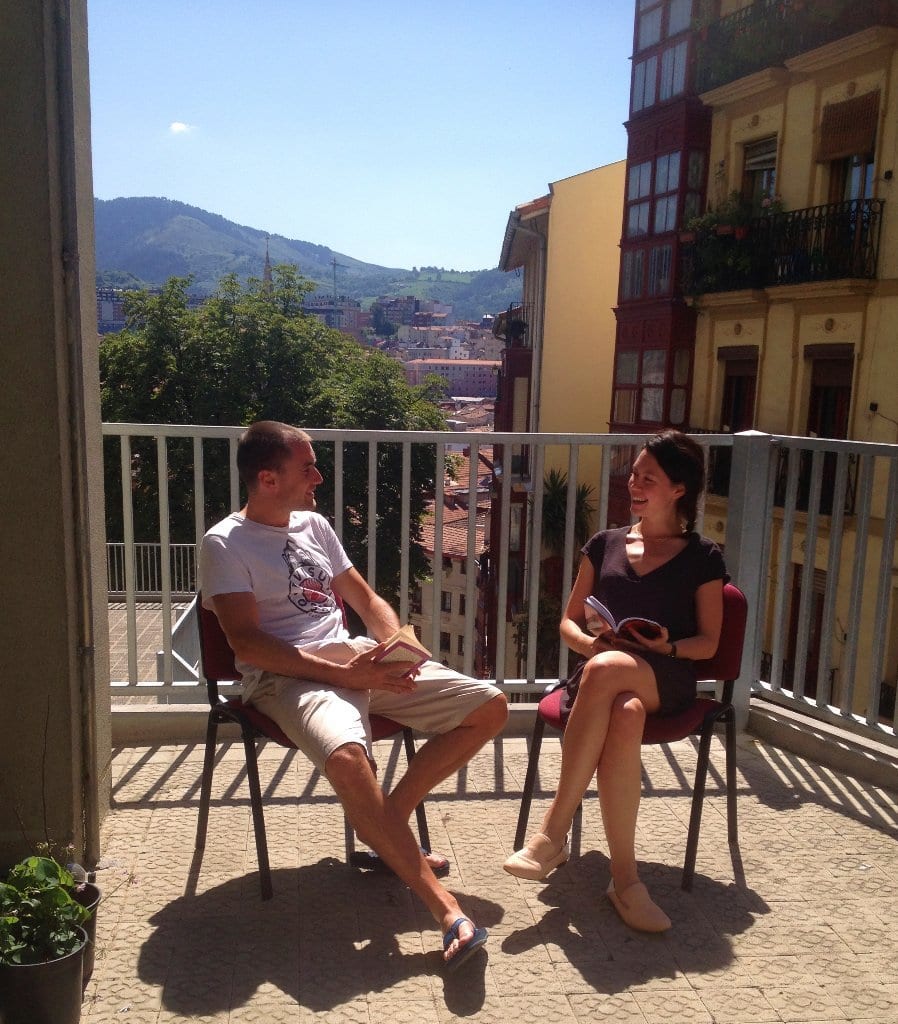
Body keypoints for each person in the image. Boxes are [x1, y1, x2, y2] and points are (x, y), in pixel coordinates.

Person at [199, 421, 508, 969]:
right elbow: (248, 643)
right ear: (267, 478)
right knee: (348, 759)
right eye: (307, 468)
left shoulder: (314, 525)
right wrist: (348, 677)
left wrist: (395, 646)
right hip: (288, 677)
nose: (319, 476)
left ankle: (386, 824)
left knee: (489, 705)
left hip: (354, 661)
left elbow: (366, 600)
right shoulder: (225, 543)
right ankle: (448, 914)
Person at [503, 430, 727, 932]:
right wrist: (591, 645)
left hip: (665, 676)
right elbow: (569, 621)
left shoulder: (702, 556)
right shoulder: (604, 544)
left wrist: (662, 646)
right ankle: (625, 882)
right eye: (634, 474)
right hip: (606, 675)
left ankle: (552, 833)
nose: (635, 483)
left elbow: (709, 643)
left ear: (678, 489)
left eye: (649, 477)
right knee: (623, 712)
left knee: (609, 676)